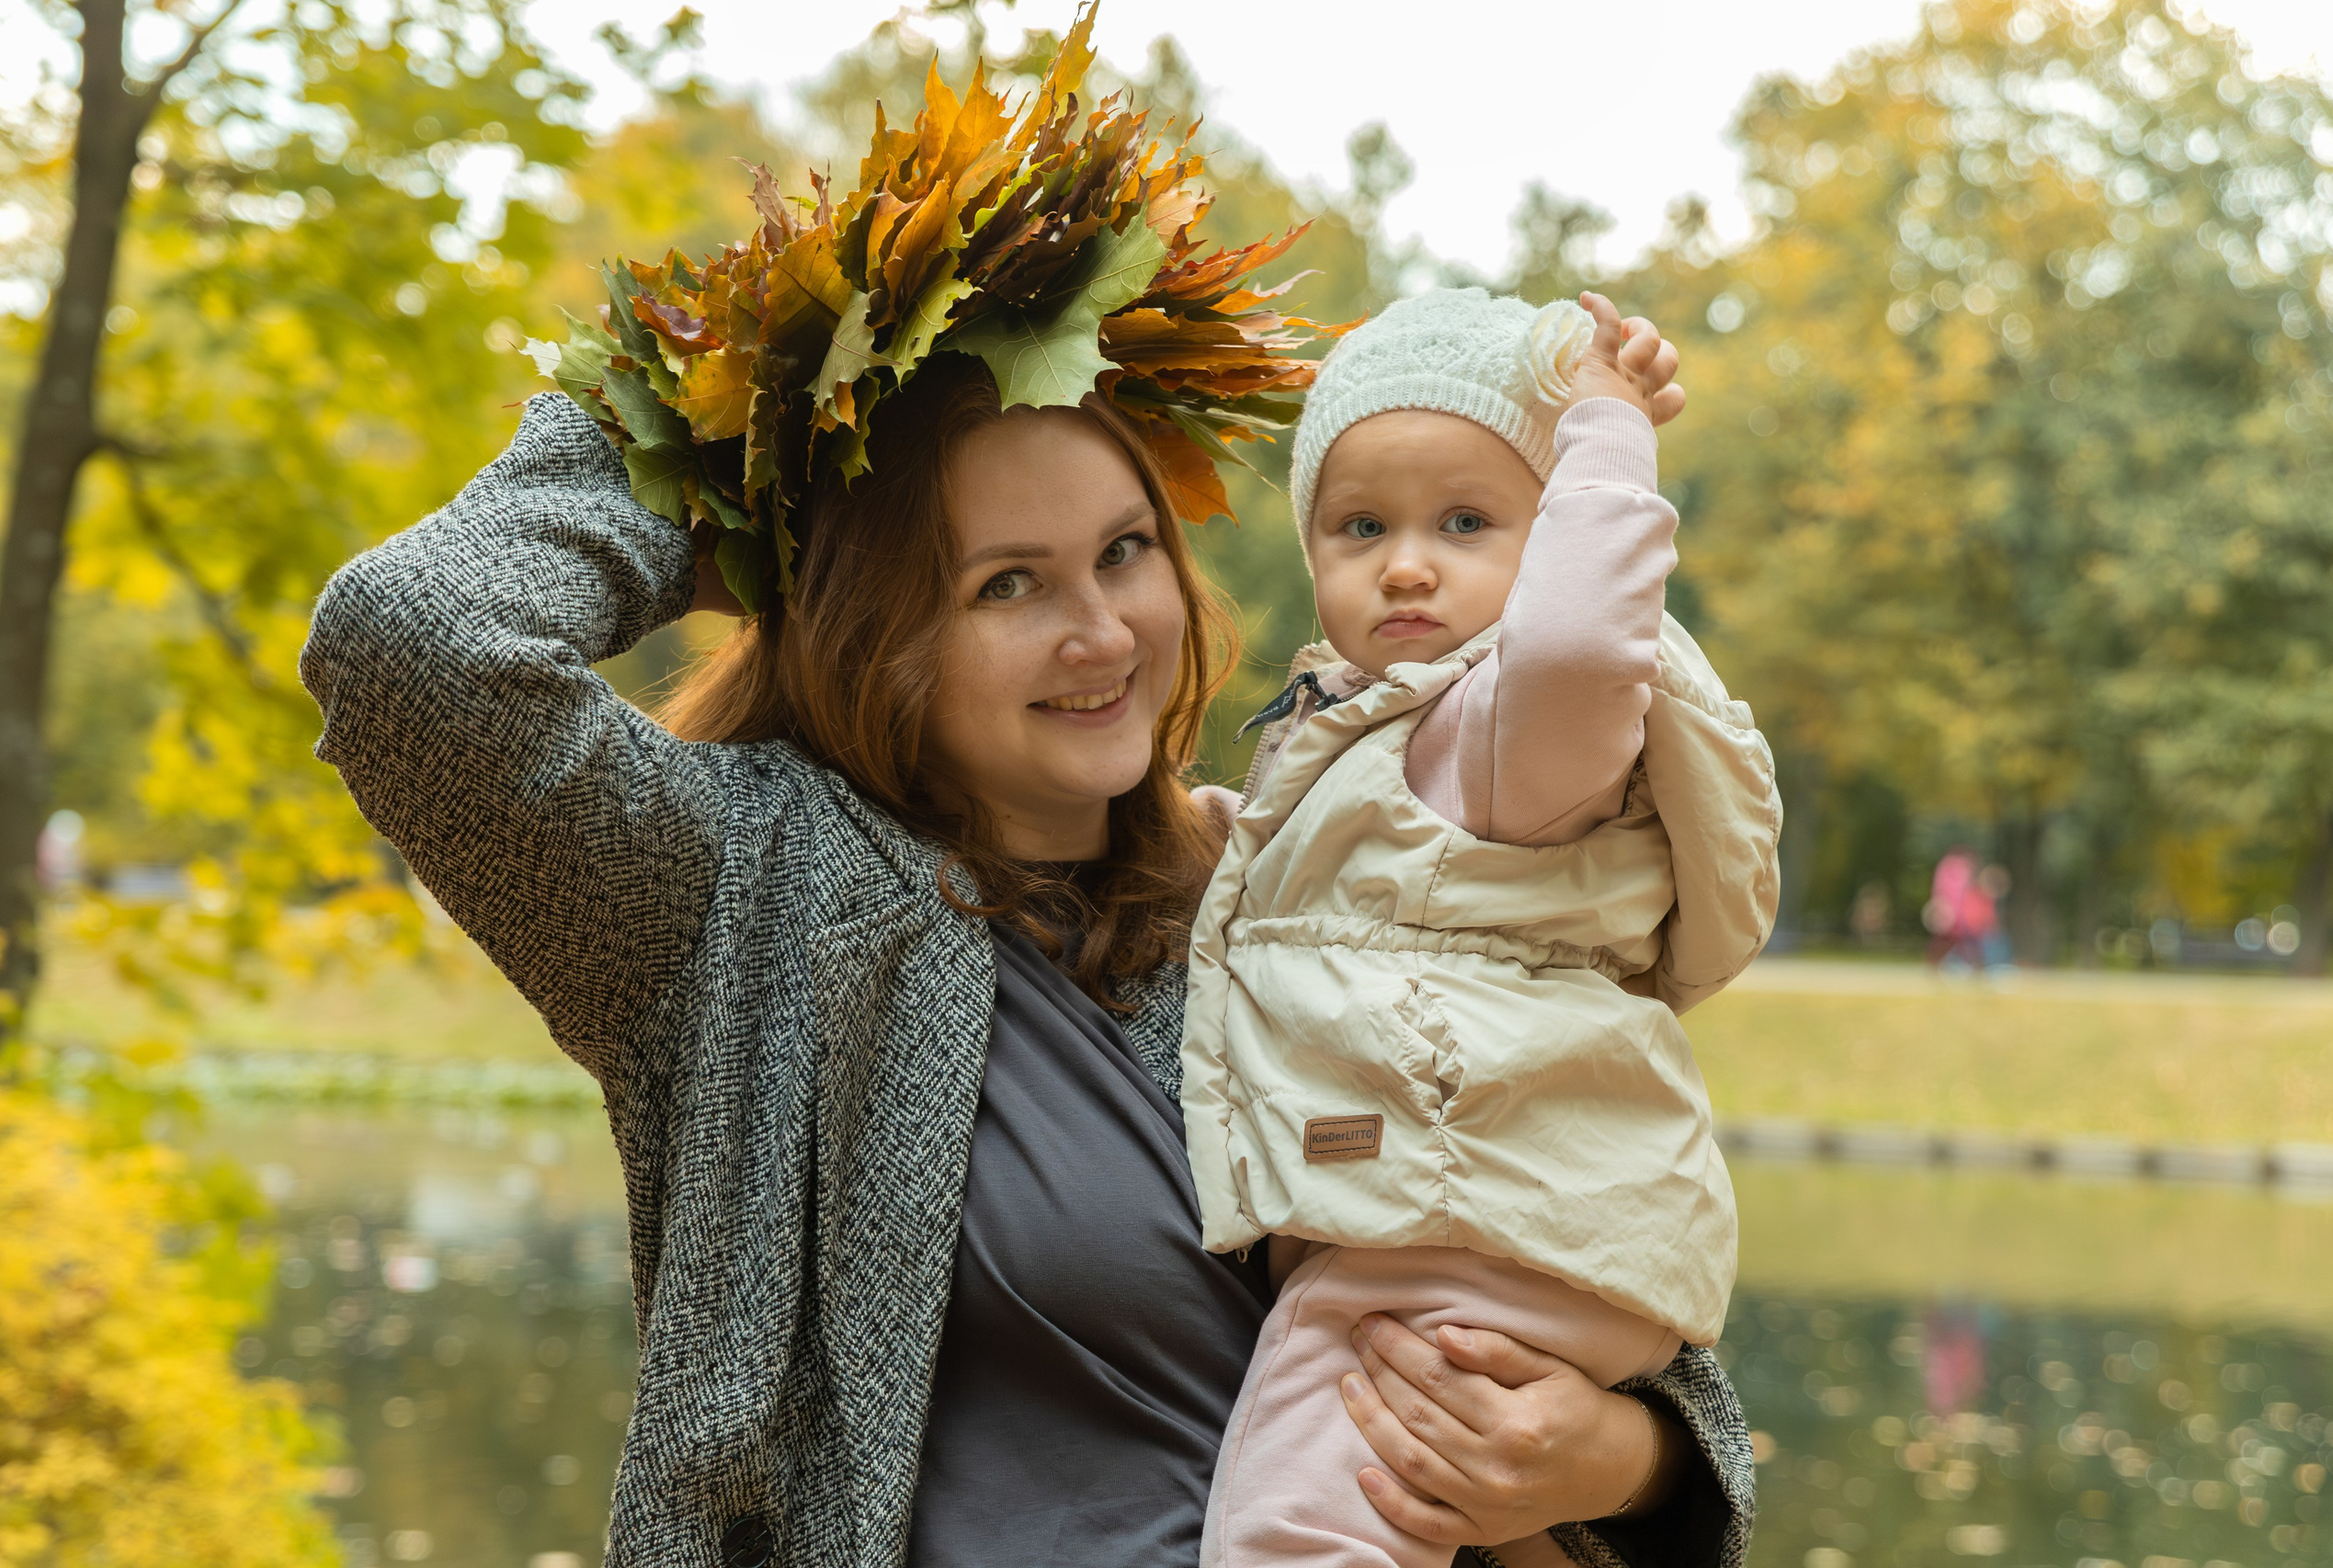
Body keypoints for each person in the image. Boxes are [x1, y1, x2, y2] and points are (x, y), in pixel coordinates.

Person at [300, 24, 1758, 1564]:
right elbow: (414, 644)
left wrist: (1617, 1457)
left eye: (1124, 550)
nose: (1103, 629)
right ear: (874, 620)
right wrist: (738, 425)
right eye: (1009, 582)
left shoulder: (1297, 874)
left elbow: (1604, 1282)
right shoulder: (729, 896)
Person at [1183, 289, 1781, 1568]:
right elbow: (1317, 876)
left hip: (1467, 1217)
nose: (1406, 561)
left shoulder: (1513, 732)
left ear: (1547, 537)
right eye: (1361, 525)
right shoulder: (1376, 728)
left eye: (1467, 521)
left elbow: (1579, 644)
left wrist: (1604, 440)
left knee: (1302, 1495)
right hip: (1517, 1212)